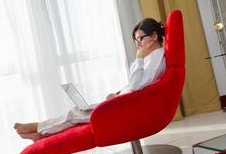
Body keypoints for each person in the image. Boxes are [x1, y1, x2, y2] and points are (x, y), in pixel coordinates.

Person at [14, 18, 166, 142]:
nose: (138, 44)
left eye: (140, 39)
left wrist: (139, 57)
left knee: (74, 114)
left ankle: (37, 127)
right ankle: (41, 134)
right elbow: (138, 84)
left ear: (153, 36)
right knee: (78, 112)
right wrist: (119, 94)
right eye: (135, 40)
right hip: (122, 102)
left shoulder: (156, 58)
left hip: (126, 108)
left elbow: (136, 85)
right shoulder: (150, 57)